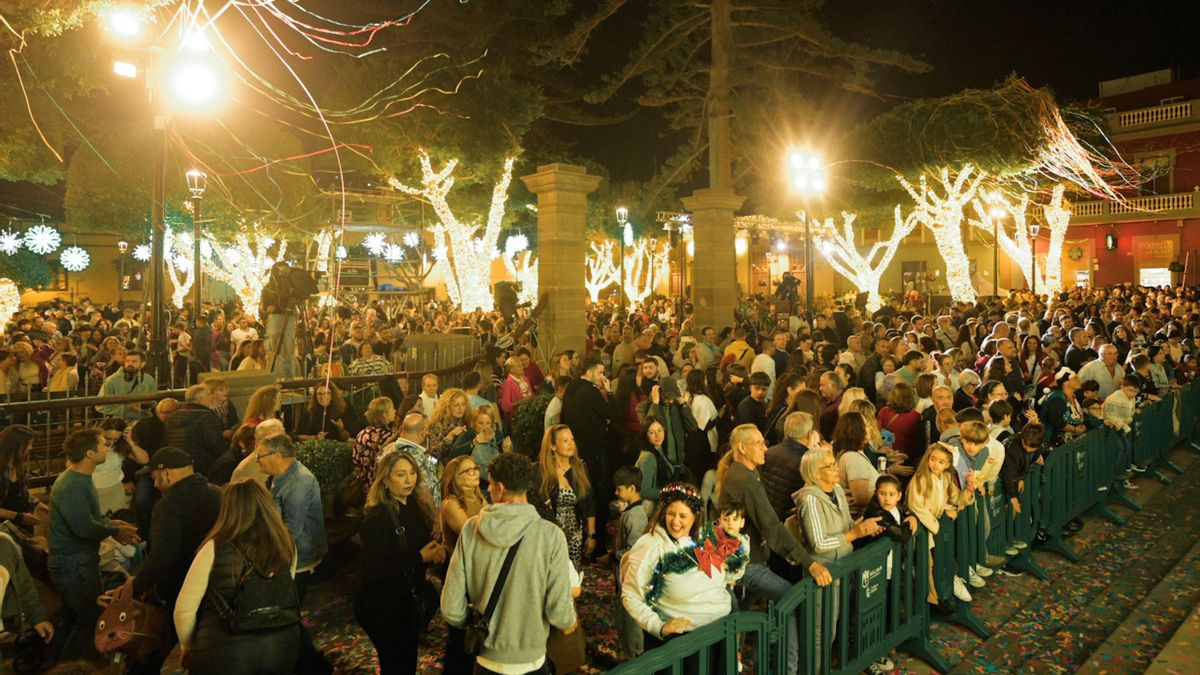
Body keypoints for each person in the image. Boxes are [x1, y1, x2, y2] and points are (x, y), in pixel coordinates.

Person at [441, 452, 578, 675]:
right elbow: (559, 613)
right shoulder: (551, 535)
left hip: (487, 659)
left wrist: (480, 622)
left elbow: (451, 609)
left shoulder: (471, 530)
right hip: (531, 659)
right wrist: (568, 621)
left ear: (500, 488)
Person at [717, 423, 830, 675]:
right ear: (742, 448)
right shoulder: (744, 479)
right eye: (759, 443)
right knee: (790, 598)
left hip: (745, 558)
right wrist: (808, 561)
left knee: (738, 617)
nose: (765, 448)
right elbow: (771, 527)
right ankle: (786, 668)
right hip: (746, 563)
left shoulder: (744, 473)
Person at [174, 480, 300, 675]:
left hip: (224, 652)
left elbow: (184, 610)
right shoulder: (286, 542)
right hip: (282, 646)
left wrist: (187, 647)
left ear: (227, 509)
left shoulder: (214, 547)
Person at [622, 483, 746, 672]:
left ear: (695, 516)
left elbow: (727, 574)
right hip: (683, 645)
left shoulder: (703, 539)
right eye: (671, 513)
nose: (675, 521)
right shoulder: (650, 544)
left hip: (718, 634)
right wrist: (659, 627)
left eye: (683, 516)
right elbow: (631, 594)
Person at [48, 429, 141, 661]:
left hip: (76, 560)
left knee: (73, 617)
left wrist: (110, 523)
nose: (107, 448)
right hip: (74, 561)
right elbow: (83, 528)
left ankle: (56, 663)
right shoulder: (72, 485)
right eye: (102, 445)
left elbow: (89, 519)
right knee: (89, 617)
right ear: (89, 453)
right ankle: (71, 665)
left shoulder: (80, 479)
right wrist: (114, 530)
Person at [794, 446, 884, 670]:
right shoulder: (810, 500)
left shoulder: (836, 489)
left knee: (835, 626)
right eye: (830, 466)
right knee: (822, 630)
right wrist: (854, 534)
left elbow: (846, 527)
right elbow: (819, 543)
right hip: (824, 572)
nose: (836, 468)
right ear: (815, 472)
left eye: (834, 463)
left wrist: (862, 526)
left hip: (844, 566)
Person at [356, 450, 444, 674]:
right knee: (396, 665)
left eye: (412, 473)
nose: (409, 480)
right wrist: (420, 558)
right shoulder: (378, 517)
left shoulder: (413, 504)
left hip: (406, 601)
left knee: (406, 663)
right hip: (383, 606)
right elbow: (372, 570)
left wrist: (434, 551)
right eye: (401, 475)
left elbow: (417, 542)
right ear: (386, 480)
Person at [254, 433, 331, 674]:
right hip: (289, 555)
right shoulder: (278, 477)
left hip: (299, 557)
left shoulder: (299, 482)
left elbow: (290, 532)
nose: (258, 462)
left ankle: (312, 664)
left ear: (278, 455)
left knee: (287, 615)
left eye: (260, 457)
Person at [560, 355, 616, 557]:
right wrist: (609, 392)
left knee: (579, 496)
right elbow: (612, 413)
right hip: (594, 451)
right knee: (598, 497)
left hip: (574, 452)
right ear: (590, 371)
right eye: (600, 372)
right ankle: (598, 546)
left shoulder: (571, 390)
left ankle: (577, 542)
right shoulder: (591, 392)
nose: (602, 377)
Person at [907, 443, 975, 606]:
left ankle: (942, 592)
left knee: (941, 559)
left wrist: (969, 490)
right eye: (933, 459)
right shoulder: (921, 478)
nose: (935, 464)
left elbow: (955, 498)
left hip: (936, 523)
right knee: (928, 563)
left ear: (947, 465)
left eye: (941, 461)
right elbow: (916, 505)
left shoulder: (945, 478)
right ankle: (933, 596)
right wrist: (936, 526)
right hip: (924, 525)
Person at [537, 424, 596, 571]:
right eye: (565, 440)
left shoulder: (580, 467)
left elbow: (589, 502)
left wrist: (591, 535)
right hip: (550, 533)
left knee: (572, 575)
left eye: (572, 439)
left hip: (575, 532)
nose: (571, 443)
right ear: (552, 446)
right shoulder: (541, 471)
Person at [613, 465, 652, 660]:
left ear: (631, 488)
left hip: (630, 577)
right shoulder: (632, 511)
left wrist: (614, 555)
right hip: (624, 576)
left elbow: (634, 550)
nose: (616, 493)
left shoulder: (636, 516)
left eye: (619, 489)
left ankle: (636, 661)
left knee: (630, 624)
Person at [162, 384, 227, 477]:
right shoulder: (206, 416)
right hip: (204, 468)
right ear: (200, 399)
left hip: (178, 466)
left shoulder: (173, 416)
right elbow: (216, 444)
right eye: (208, 396)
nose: (211, 399)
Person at [761, 412, 814, 522]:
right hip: (788, 519)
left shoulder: (769, 452)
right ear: (809, 434)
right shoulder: (808, 461)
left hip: (766, 513)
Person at [352, 397, 400, 496]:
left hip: (364, 486)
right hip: (381, 488)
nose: (395, 411)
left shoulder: (362, 434)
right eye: (392, 409)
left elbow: (355, 460)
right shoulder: (389, 437)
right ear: (384, 414)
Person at [95, 350, 156, 422]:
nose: (130, 364)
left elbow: (154, 401)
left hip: (145, 419)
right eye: (127, 361)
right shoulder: (112, 380)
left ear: (142, 364)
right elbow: (100, 406)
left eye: (134, 361)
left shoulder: (148, 379)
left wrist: (150, 404)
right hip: (121, 420)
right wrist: (128, 408)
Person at [295, 383, 361, 442]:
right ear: (315, 396)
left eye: (327, 393)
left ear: (333, 395)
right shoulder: (310, 411)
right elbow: (299, 436)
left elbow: (347, 438)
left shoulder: (344, 408)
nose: (323, 397)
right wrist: (315, 438)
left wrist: (341, 429)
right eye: (319, 394)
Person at [426, 388, 472, 460]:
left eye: (463, 404)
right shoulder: (436, 424)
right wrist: (450, 436)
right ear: (447, 406)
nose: (460, 408)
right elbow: (433, 457)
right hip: (444, 466)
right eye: (456, 405)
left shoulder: (468, 421)